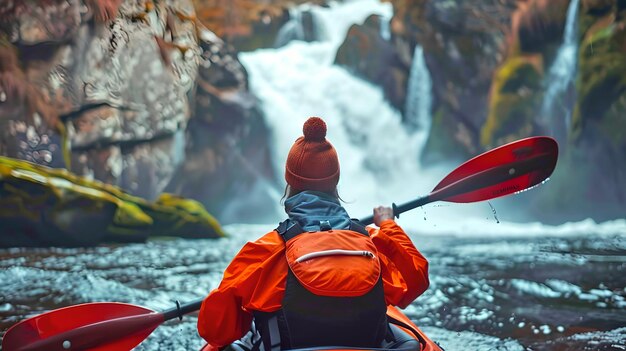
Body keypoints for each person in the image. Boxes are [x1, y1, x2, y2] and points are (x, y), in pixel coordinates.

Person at [198, 117, 429, 351]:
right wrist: (388, 225)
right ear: (335, 183)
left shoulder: (264, 252)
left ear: (290, 183)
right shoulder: (374, 243)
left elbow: (215, 330)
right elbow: (417, 277)